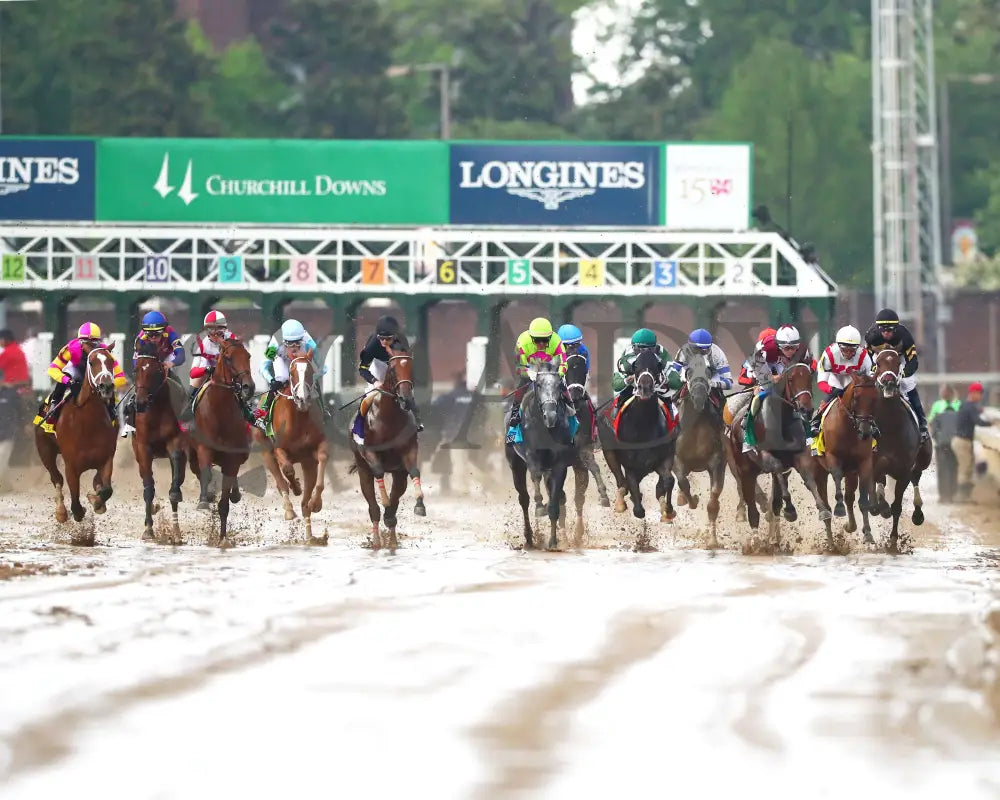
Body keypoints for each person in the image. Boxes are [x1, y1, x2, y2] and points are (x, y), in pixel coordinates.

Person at [33, 322, 126, 433]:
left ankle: (112, 413)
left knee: (108, 385)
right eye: (88, 344)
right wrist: (67, 380)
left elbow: (121, 377)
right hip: (77, 371)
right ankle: (53, 406)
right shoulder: (71, 349)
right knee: (67, 374)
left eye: (95, 343)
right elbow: (52, 369)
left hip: (94, 375)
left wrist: (109, 384)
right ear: (80, 342)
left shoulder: (104, 352)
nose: (92, 348)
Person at [353, 314, 423, 443]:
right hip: (378, 366)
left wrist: (407, 382)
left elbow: (406, 364)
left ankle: (417, 422)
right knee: (369, 397)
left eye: (388, 339)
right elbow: (362, 369)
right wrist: (375, 381)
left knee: (407, 393)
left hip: (396, 364)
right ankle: (360, 427)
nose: (384, 342)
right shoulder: (372, 345)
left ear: (395, 337)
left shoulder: (402, 342)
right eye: (381, 338)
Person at [186, 309, 260, 428]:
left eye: (219, 330)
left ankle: (247, 412)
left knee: (237, 385)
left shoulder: (231, 337)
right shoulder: (202, 343)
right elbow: (193, 373)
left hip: (225, 372)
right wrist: (206, 369)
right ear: (206, 330)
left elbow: (237, 358)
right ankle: (188, 415)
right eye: (211, 330)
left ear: (224, 328)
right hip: (207, 369)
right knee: (194, 385)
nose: (215, 334)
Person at [864, 308, 928, 442]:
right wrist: (875, 368)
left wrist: (903, 373)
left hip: (900, 361)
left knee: (909, 384)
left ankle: (922, 423)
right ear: (878, 328)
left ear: (896, 328)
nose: (887, 333)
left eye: (890, 329)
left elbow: (913, 361)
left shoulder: (905, 336)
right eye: (883, 329)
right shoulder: (871, 336)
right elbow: (867, 358)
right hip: (879, 360)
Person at [121, 310, 186, 437]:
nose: (153, 338)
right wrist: (143, 371)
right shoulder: (140, 339)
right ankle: (130, 421)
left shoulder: (170, 332)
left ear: (164, 330)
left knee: (178, 384)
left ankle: (184, 418)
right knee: (140, 385)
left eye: (157, 334)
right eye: (150, 334)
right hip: (148, 361)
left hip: (165, 358)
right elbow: (136, 361)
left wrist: (170, 364)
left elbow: (181, 355)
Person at [505, 317, 571, 443]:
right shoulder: (522, 343)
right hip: (530, 369)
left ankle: (572, 413)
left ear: (550, 338)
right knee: (521, 385)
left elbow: (564, 364)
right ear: (531, 338)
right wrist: (528, 372)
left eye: (545, 340)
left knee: (562, 386)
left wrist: (558, 373)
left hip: (550, 370)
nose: (541, 344)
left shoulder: (557, 341)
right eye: (537, 341)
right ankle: (514, 417)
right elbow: (518, 367)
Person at [810, 325, 873, 453]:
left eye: (852, 350)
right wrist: (831, 390)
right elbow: (821, 381)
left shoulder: (864, 356)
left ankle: (874, 434)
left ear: (858, 348)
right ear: (838, 346)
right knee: (824, 408)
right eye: (845, 349)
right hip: (835, 380)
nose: (849, 353)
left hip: (855, 382)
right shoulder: (828, 354)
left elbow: (870, 380)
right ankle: (815, 433)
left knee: (868, 408)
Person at [258, 318, 320, 428]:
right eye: (289, 344)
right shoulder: (275, 343)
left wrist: (313, 377)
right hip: (282, 360)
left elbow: (322, 367)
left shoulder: (310, 342)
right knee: (282, 378)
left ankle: (323, 411)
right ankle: (265, 412)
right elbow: (263, 366)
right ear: (283, 340)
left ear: (302, 338)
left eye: (298, 343)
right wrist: (271, 380)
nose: (294, 348)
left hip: (301, 360)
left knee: (309, 380)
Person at [741, 333, 783, 454]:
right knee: (756, 397)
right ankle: (746, 425)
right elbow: (742, 378)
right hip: (756, 386)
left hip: (774, 386)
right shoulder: (755, 356)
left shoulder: (782, 355)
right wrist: (756, 383)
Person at [952, 381, 994, 502]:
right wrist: (992, 423)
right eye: (980, 393)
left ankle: (965, 496)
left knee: (967, 468)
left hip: (961, 440)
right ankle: (962, 497)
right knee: (965, 469)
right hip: (962, 441)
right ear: (974, 393)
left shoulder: (966, 405)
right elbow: (978, 421)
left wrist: (979, 411)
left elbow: (972, 414)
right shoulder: (970, 406)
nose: (980, 396)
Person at [611, 328, 672, 408]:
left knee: (668, 401)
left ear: (654, 347)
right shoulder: (627, 356)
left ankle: (672, 416)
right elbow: (616, 384)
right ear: (633, 348)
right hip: (632, 388)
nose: (644, 352)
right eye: (639, 349)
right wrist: (627, 380)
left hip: (656, 388)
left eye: (649, 349)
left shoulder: (662, 354)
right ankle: (616, 416)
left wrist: (664, 380)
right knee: (620, 401)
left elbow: (673, 376)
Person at [0, 329, 30, 488]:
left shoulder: (7, 353)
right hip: (23, 389)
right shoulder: (19, 351)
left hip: (14, 390)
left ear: (4, 339)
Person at [667, 328, 734, 398]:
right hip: (688, 375)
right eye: (694, 350)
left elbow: (729, 383)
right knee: (673, 394)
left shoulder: (718, 354)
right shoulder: (683, 351)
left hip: (712, 377)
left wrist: (714, 384)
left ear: (708, 348)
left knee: (721, 398)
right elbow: (673, 373)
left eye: (701, 351)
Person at [929, 384, 962, 503]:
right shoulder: (937, 405)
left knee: (951, 468)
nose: (944, 394)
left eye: (946, 392)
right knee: (946, 469)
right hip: (943, 443)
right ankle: (945, 495)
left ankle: (951, 494)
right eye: (943, 392)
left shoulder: (958, 404)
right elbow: (931, 423)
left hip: (952, 443)